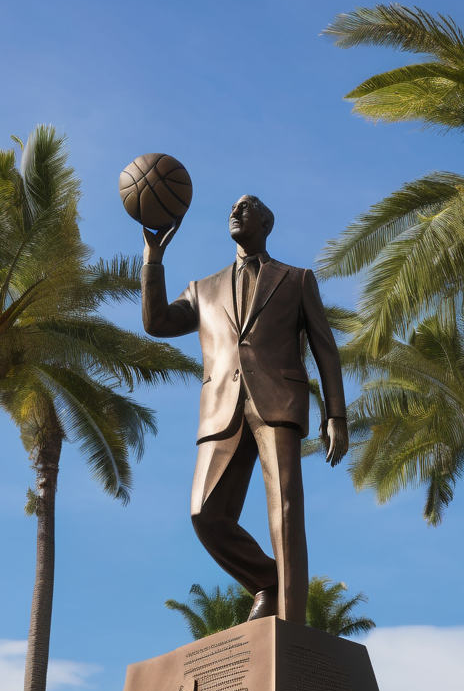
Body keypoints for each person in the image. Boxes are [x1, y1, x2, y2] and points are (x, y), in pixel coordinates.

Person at [140, 195, 348, 624]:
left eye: (246, 208)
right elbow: (156, 323)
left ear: (266, 223)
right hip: (222, 409)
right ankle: (269, 581)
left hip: (279, 401)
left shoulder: (296, 279)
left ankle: (291, 628)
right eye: (232, 209)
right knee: (204, 513)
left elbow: (326, 350)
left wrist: (336, 416)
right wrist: (153, 260)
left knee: (285, 511)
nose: (235, 212)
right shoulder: (202, 289)